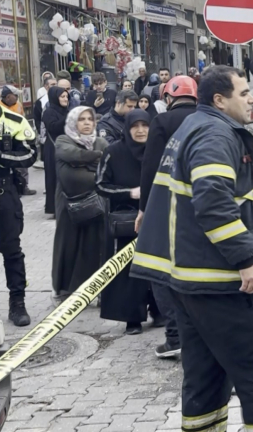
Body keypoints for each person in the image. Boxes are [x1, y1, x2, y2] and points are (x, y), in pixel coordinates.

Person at [131, 65, 253, 431]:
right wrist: (247, 258)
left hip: (192, 281)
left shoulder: (193, 126)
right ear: (219, 100)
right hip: (225, 283)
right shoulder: (216, 135)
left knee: (205, 378)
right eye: (244, 93)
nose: (252, 100)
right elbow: (213, 203)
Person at [135, 75, 198, 359]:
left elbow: (150, 167)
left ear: (168, 98)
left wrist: (143, 209)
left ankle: (174, 337)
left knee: (160, 268)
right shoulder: (207, 119)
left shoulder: (161, 122)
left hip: (166, 206)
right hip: (201, 205)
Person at [97, 109, 161, 335]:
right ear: (127, 128)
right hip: (126, 220)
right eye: (135, 126)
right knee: (128, 270)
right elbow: (100, 185)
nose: (141, 130)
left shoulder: (158, 151)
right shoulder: (114, 152)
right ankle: (132, 317)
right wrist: (129, 193)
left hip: (155, 217)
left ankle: (158, 310)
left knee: (156, 265)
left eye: (145, 125)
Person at [0, 74, 37, 327]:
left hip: (2, 192)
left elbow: (29, 155)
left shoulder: (14, 121)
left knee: (11, 250)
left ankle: (17, 303)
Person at [51, 106, 108, 299]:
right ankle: (65, 290)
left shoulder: (100, 142)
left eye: (90, 119)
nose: (86, 123)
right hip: (69, 201)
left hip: (96, 202)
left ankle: (96, 289)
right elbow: (70, 168)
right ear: (73, 122)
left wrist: (83, 165)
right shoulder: (63, 140)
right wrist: (97, 159)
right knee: (69, 245)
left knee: (94, 244)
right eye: (81, 119)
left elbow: (107, 171)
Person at [0, 86, 36, 196]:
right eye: (15, 95)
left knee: (22, 165)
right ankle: (14, 188)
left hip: (19, 139)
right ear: (8, 96)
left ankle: (24, 186)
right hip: (5, 140)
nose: (17, 97)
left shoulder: (18, 105)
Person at [42, 87, 71, 215]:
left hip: (67, 146)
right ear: (55, 98)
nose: (65, 99)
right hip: (53, 148)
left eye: (66, 97)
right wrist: (67, 118)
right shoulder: (49, 112)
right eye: (62, 97)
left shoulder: (67, 110)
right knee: (54, 177)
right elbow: (53, 127)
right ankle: (54, 207)